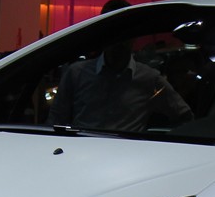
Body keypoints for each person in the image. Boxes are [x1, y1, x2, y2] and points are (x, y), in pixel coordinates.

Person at [49, 27, 194, 133]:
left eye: (123, 37)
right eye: (113, 36)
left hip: (127, 158)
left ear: (133, 39)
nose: (118, 42)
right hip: (82, 153)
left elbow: (184, 115)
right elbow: (56, 119)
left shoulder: (149, 78)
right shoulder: (76, 73)